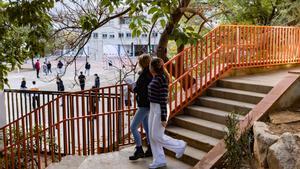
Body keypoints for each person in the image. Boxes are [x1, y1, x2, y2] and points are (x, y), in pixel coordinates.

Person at [148, 58, 187, 169]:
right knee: (152, 136)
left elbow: (163, 99)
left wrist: (163, 117)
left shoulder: (162, 79)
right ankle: (159, 160)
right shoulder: (156, 77)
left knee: (157, 135)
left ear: (152, 67)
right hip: (153, 107)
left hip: (160, 108)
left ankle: (179, 145)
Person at [128, 54, 153, 160]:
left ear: (141, 63)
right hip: (148, 104)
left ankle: (139, 150)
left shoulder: (144, 75)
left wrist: (132, 87)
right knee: (147, 127)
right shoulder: (151, 73)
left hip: (143, 105)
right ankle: (151, 148)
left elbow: (140, 90)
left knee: (133, 127)